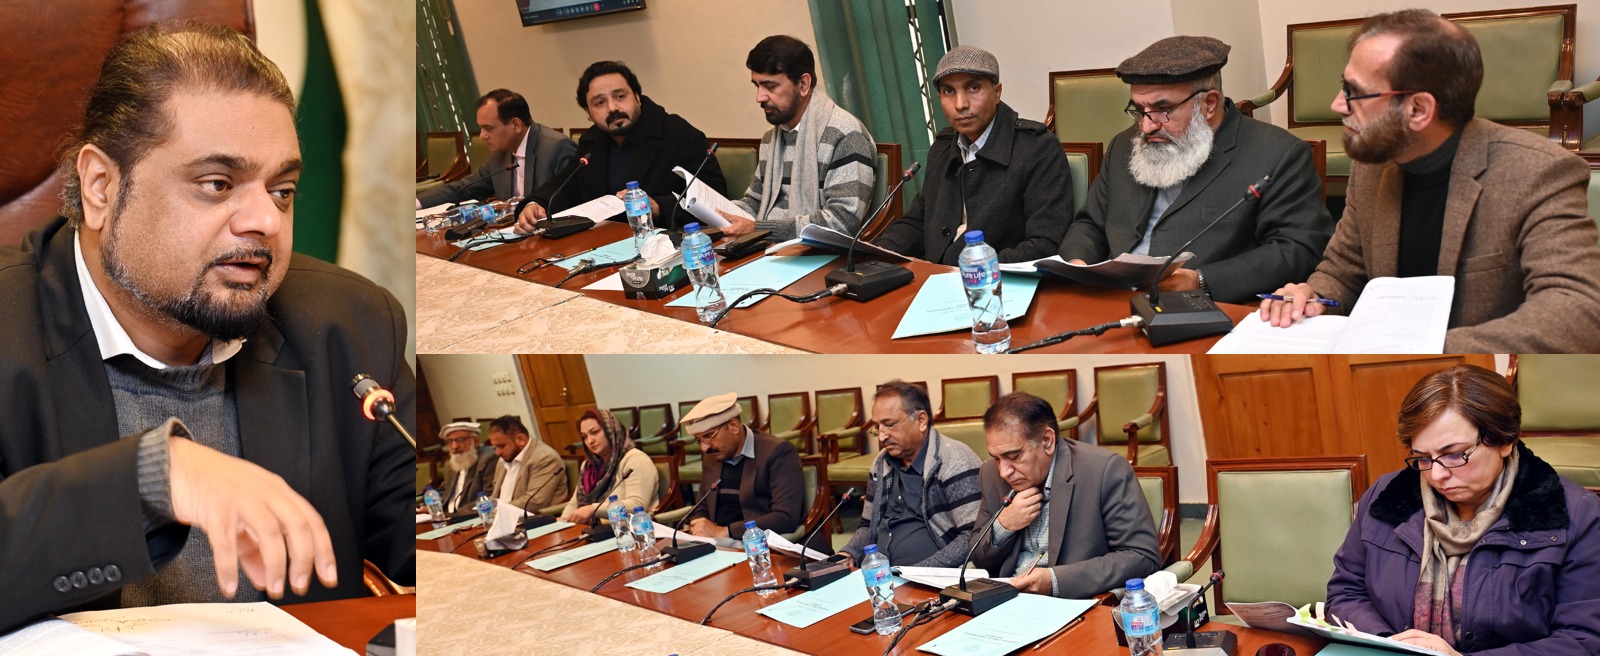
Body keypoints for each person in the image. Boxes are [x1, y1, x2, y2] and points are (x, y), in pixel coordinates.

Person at [0, 22, 414, 633]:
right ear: (101, 187)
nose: (265, 221)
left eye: (282, 190)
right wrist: (152, 479)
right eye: (217, 184)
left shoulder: (349, 324)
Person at [1260, 9, 1600, 352]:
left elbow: (1578, 313)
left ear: (1419, 110)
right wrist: (1314, 296)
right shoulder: (1373, 162)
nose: (1337, 105)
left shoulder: (1538, 172)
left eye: (1353, 91)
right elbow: (1344, 267)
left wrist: (1423, 349)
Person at [1327, 365, 1600, 656]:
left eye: (1455, 454)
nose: (1436, 475)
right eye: (1423, 458)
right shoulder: (1385, 496)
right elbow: (1345, 592)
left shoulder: (1574, 513)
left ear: (1505, 440)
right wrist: (1391, 643)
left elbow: (1584, 639)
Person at [1059, 36, 1332, 304]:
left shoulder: (1278, 154)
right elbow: (1090, 224)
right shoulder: (1124, 145)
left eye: (1163, 109)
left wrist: (1200, 280)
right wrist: (1079, 262)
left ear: (1209, 104)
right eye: (1139, 110)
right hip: (1108, 299)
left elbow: (1298, 248)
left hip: (1205, 309)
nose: (1147, 126)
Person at [873, 46, 1074, 265]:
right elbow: (918, 222)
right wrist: (881, 251)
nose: (961, 104)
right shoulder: (942, 148)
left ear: (997, 92)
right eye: (949, 91)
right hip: (938, 277)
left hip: (997, 279)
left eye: (974, 88)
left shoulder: (1037, 147)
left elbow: (1045, 243)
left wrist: (973, 270)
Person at [970, 393, 1159, 598]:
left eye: (1014, 456)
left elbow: (1141, 557)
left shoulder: (1103, 470)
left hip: (1074, 601)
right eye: (997, 458)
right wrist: (1004, 525)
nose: (1004, 471)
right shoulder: (990, 474)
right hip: (1005, 599)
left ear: (1047, 441)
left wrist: (1055, 580)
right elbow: (978, 558)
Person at [516, 61, 726, 232]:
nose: (613, 108)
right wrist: (536, 204)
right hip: (605, 242)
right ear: (588, 114)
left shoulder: (676, 133)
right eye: (600, 103)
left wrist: (658, 207)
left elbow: (715, 196)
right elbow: (566, 186)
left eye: (620, 96)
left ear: (637, 97)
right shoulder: (592, 142)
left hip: (665, 242)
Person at [722, 35, 876, 239]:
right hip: (766, 246)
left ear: (803, 84)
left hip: (817, 253)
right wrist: (717, 214)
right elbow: (754, 202)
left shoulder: (846, 135)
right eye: (756, 86)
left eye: (770, 86)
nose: (759, 97)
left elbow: (841, 222)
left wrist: (759, 229)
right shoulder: (771, 138)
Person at [836, 381, 982, 568]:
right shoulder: (881, 462)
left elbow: (972, 536)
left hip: (928, 577)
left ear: (921, 420)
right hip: (878, 574)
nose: (882, 437)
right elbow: (867, 526)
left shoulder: (955, 460)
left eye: (890, 425)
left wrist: (916, 573)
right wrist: (848, 552)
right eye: (877, 428)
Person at [680, 393, 807, 546]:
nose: (704, 447)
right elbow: (702, 505)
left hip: (760, 545)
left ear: (733, 427)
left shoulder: (777, 452)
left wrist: (724, 531)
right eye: (698, 440)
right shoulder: (711, 455)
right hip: (718, 544)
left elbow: (786, 518)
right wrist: (699, 525)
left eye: (708, 436)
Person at [417, 88, 576, 209]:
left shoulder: (556, 148)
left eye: (488, 128)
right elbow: (463, 189)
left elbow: (573, 203)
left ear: (516, 125)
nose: (482, 136)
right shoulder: (501, 155)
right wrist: (416, 203)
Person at [558, 409, 659, 525]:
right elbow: (574, 502)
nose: (590, 441)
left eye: (595, 432)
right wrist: (563, 522)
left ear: (611, 430)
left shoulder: (635, 459)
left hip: (631, 528)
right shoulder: (588, 466)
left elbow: (637, 505)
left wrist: (593, 509)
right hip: (593, 529)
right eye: (584, 436)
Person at [486, 416, 568, 513]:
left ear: (520, 439)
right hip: (500, 515)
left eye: (501, 446)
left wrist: (498, 509)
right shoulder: (504, 459)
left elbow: (535, 501)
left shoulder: (545, 458)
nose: (497, 452)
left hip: (532, 517)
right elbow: (496, 495)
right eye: (495, 447)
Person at [437, 421, 497, 515]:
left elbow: (489, 496)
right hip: (446, 516)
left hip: (472, 515)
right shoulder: (450, 464)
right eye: (450, 441)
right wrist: (434, 507)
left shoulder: (488, 459)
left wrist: (457, 514)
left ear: (475, 441)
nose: (455, 447)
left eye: (460, 440)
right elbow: (446, 492)